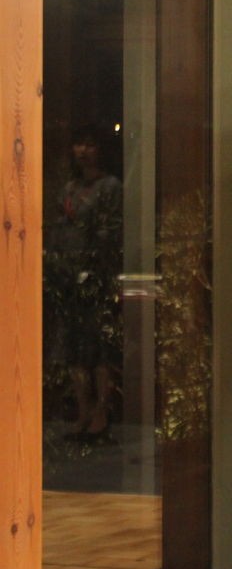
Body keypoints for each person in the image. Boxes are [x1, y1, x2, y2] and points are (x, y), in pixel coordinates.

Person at [46, 124, 123, 444]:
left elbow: (111, 231)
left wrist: (93, 264)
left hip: (97, 277)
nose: (83, 150)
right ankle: (82, 411)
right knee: (72, 350)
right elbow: (58, 229)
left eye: (89, 144)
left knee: (98, 349)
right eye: (78, 144)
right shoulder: (67, 189)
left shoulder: (110, 186)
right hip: (67, 277)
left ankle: (101, 412)